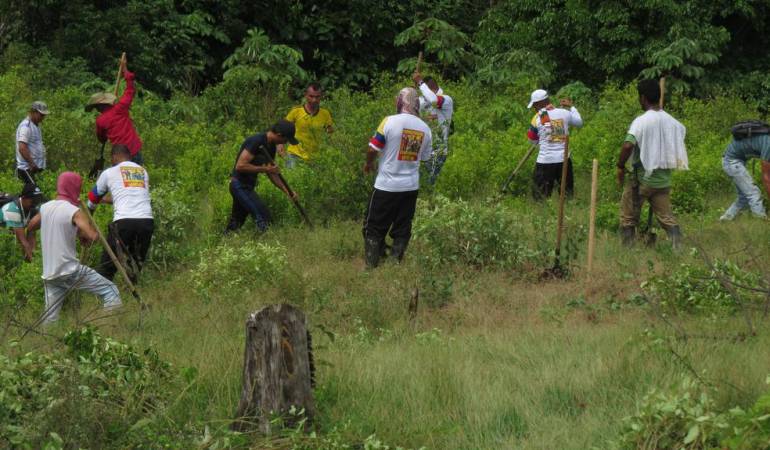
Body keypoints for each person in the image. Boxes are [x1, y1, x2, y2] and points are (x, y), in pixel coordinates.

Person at [26, 172, 121, 325]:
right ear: (74, 188)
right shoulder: (73, 211)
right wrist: (88, 234)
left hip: (50, 274)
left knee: (49, 321)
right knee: (111, 291)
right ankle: (106, 329)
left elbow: (31, 226)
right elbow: (92, 237)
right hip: (70, 271)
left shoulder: (45, 208)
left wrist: (30, 245)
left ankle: (44, 346)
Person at [362, 87, 432, 268]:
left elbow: (372, 148)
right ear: (416, 103)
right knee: (402, 228)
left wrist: (368, 164)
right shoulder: (425, 128)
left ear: (400, 102)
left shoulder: (389, 121)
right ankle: (394, 264)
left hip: (386, 185)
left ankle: (371, 266)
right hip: (410, 187)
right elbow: (424, 158)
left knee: (373, 227)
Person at [616, 79, 688, 248]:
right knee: (666, 218)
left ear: (642, 98)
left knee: (628, 216)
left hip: (642, 180)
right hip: (662, 181)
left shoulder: (642, 121)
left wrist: (620, 166)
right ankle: (679, 248)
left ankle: (627, 251)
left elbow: (628, 145)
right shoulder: (672, 121)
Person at [87, 144, 154, 282]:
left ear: (114, 156)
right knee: (135, 265)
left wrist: (89, 217)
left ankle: (106, 298)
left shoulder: (110, 172)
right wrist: (106, 200)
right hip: (146, 222)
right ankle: (133, 294)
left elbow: (93, 197)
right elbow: (129, 195)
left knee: (108, 265)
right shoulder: (142, 171)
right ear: (129, 156)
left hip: (124, 222)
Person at [225, 120, 299, 233]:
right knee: (264, 218)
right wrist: (265, 169)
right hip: (238, 185)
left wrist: (288, 191)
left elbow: (272, 172)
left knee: (237, 222)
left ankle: (225, 241)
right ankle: (265, 246)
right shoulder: (256, 141)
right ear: (279, 135)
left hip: (247, 186)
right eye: (285, 140)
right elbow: (240, 166)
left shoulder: (271, 147)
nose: (285, 143)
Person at [526, 89, 583, 199]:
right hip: (564, 160)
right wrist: (571, 107)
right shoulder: (565, 113)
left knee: (540, 198)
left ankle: (541, 215)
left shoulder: (537, 117)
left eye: (534, 105)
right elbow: (579, 123)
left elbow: (532, 139)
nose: (534, 108)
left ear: (540, 103)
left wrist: (543, 139)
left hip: (545, 161)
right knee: (566, 196)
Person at [86, 58, 144, 165]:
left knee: (119, 180)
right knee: (137, 180)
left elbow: (101, 138)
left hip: (119, 155)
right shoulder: (120, 108)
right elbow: (130, 89)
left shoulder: (100, 121)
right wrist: (125, 69)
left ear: (98, 108)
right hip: (133, 150)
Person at [719, 126, 770, 220]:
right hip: (731, 161)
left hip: (732, 160)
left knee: (744, 198)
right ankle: (760, 222)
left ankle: (725, 220)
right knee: (754, 193)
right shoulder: (769, 144)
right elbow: (766, 177)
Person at [412, 72, 454, 184]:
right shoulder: (423, 100)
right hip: (419, 151)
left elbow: (434, 100)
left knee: (430, 185)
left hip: (437, 152)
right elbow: (409, 110)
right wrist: (411, 95)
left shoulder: (446, 100)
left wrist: (420, 82)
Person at [281, 82, 334, 168]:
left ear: (321, 96)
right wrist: (280, 145)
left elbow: (330, 135)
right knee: (291, 180)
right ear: (306, 95)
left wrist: (329, 152)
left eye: (317, 97)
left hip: (316, 157)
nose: (314, 100)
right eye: (311, 96)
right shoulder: (296, 111)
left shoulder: (325, 114)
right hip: (295, 154)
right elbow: (282, 128)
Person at [0, 184, 43, 261]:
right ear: (23, 198)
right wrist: (31, 262)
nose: (35, 203)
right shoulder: (12, 210)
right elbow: (23, 242)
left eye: (37, 200)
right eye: (33, 200)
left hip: (9, 235)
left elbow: (31, 233)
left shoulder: (32, 209)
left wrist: (33, 253)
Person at [15, 101, 50, 187]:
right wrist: (32, 163)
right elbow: (22, 148)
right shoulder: (26, 126)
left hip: (35, 168)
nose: (43, 117)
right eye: (41, 115)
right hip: (26, 168)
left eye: (44, 115)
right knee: (33, 193)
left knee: (37, 193)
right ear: (33, 112)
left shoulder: (36, 125)